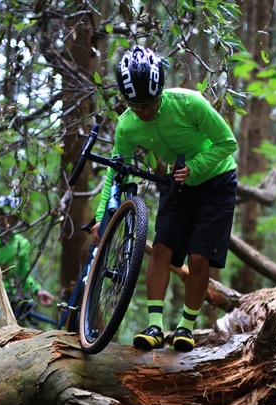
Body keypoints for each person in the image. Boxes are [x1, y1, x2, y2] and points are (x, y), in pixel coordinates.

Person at [91, 45, 238, 352]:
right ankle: (155, 325)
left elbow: (228, 142)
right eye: (136, 105)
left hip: (217, 181)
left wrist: (195, 168)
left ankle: (185, 327)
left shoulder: (189, 103)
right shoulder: (127, 125)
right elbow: (116, 172)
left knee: (199, 257)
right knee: (161, 250)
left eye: (151, 103)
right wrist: (102, 215)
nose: (145, 111)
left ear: (161, 92)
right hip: (180, 184)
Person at [0, 194, 54, 315]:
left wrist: (37, 291)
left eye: (10, 216)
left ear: (16, 219)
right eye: (2, 214)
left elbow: (24, 275)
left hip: (11, 299)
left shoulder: (21, 243)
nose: (6, 219)